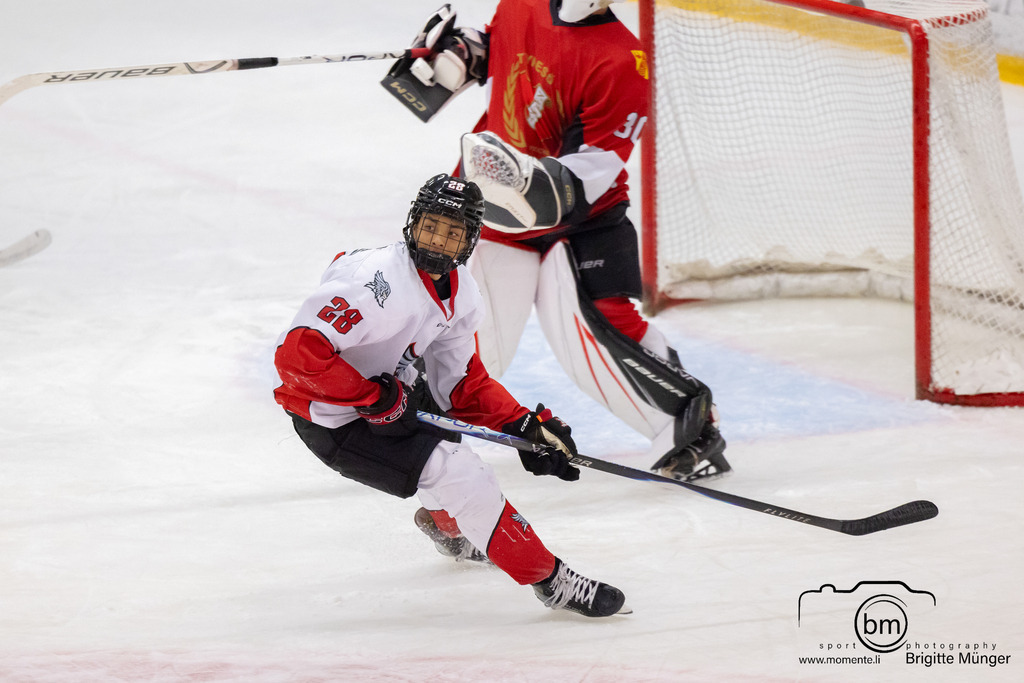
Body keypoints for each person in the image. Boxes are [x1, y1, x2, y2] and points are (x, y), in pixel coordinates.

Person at [381, 1, 730, 481]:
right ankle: (413, 437)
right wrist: (462, 54)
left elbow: (595, 171)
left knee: (596, 330)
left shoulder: (623, 61)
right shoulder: (521, 3)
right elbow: (501, 49)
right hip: (496, 211)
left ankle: (691, 428)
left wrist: (529, 180)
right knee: (461, 336)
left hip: (582, 220)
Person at [272, 173, 629, 618]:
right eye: (431, 226)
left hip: (386, 389)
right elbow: (296, 359)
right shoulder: (375, 283)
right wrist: (370, 398)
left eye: (453, 232)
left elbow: (459, 383)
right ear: (413, 223)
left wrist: (522, 425)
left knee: (441, 423)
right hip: (331, 415)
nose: (438, 240)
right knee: (459, 473)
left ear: (470, 241)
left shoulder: (462, 294)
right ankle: (551, 581)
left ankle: (446, 528)